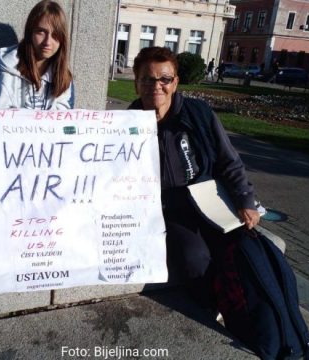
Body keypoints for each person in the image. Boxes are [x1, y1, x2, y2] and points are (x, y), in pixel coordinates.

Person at [128, 47, 260, 304]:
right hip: (167, 209)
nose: (157, 85)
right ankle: (213, 308)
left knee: (241, 248)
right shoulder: (124, 123)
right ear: (137, 84)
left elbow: (228, 160)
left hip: (210, 200)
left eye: (164, 79)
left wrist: (246, 200)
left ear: (175, 82)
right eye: (148, 79)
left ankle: (250, 306)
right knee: (195, 259)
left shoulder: (199, 114)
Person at [0, 0, 74, 109]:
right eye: (41, 32)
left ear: (63, 39)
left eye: (55, 34)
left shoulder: (63, 77)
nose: (48, 41)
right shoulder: (7, 69)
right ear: (30, 32)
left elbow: (65, 122)